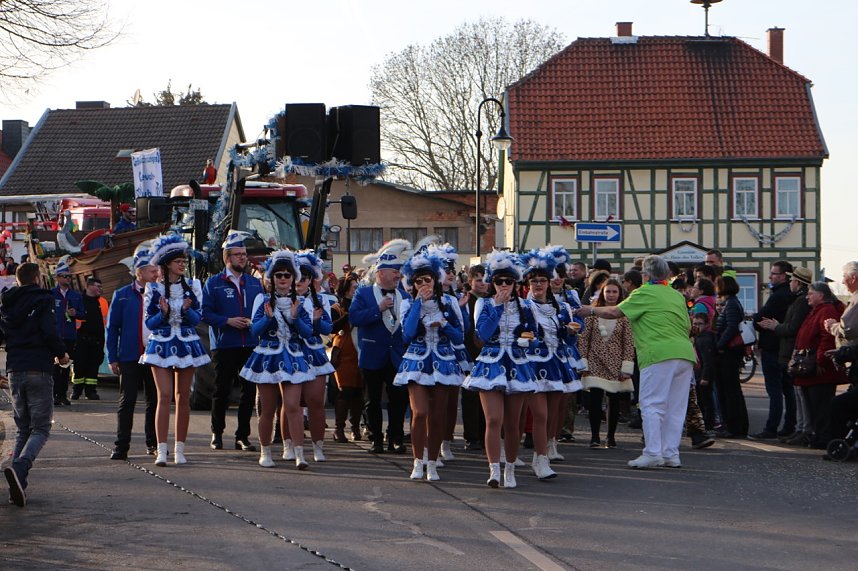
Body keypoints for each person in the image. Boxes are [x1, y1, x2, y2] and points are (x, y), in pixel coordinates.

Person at [579, 255, 697, 469]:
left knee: (652, 404)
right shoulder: (676, 295)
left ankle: (652, 452)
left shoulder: (644, 292)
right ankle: (671, 453)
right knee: (675, 407)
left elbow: (615, 311)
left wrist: (590, 310)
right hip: (684, 354)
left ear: (645, 275)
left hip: (658, 353)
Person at [463, 249, 538, 488]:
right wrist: (497, 306)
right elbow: (482, 334)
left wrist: (528, 340)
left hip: (517, 364)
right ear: (492, 283)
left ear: (516, 283)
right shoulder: (484, 304)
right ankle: (494, 469)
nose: (503, 285)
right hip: (491, 363)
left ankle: (511, 468)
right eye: (498, 281)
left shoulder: (526, 306)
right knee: (493, 419)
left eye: (508, 281)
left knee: (513, 423)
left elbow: (533, 334)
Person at [0, 262, 70, 507]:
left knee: (23, 428)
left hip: (15, 369)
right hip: (38, 367)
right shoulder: (43, 299)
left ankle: (18, 484)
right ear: (37, 278)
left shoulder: (6, 303)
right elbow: (49, 331)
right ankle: (20, 467)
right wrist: (62, 355)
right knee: (40, 429)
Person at [393, 248, 465, 481]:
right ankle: (418, 460)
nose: (424, 284)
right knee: (420, 412)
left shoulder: (450, 301)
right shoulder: (407, 304)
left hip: (444, 361)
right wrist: (417, 304)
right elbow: (408, 334)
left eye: (428, 279)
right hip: (416, 361)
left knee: (437, 416)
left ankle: (432, 462)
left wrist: (444, 324)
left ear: (435, 280)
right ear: (413, 284)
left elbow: (459, 337)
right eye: (419, 281)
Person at [239, 250, 315, 468]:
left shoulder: (300, 301)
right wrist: (269, 317)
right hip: (268, 356)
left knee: (293, 406)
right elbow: (255, 331)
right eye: (279, 275)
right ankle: (265, 452)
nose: (283, 279)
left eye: (287, 275)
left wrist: (294, 317)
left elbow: (308, 332)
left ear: (294, 278)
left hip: (292, 356)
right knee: (268, 408)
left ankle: (299, 453)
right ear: (271, 278)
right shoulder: (261, 299)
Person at [140, 234, 210, 466]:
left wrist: (188, 310)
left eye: (183, 261)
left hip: (187, 344)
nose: (183, 264)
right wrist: (164, 312)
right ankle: (162, 449)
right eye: (178, 261)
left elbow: (197, 318)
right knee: (164, 396)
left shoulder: (194, 287)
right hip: (160, 343)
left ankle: (180, 448)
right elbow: (149, 323)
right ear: (167, 264)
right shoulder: (153, 289)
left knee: (183, 398)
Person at [202, 231, 264, 452]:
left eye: (244, 254)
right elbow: (204, 313)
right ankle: (217, 433)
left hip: (250, 344)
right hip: (225, 344)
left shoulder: (255, 284)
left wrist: (255, 322)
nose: (243, 258)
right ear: (227, 258)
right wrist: (227, 320)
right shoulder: (214, 283)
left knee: (248, 391)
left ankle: (243, 436)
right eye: (238, 254)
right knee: (222, 390)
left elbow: (263, 311)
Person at [522, 246, 580, 479]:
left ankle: (541, 457)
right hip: (532, 365)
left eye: (542, 281)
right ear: (528, 283)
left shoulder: (563, 307)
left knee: (554, 413)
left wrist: (571, 332)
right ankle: (538, 458)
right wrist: (527, 339)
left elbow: (568, 338)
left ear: (549, 282)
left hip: (556, 364)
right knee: (540, 415)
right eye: (534, 281)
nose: (538, 285)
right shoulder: (522, 306)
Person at [349, 239, 412, 454]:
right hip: (372, 354)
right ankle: (376, 438)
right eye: (394, 271)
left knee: (398, 400)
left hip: (396, 356)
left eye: (399, 271)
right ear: (381, 273)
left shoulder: (404, 295)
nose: (398, 275)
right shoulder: (363, 293)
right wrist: (378, 308)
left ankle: (395, 437)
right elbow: (355, 318)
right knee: (372, 400)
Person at [107, 241, 159, 460]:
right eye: (151, 269)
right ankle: (121, 446)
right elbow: (112, 328)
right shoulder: (122, 295)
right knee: (127, 401)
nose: (156, 273)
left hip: (155, 355)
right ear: (139, 272)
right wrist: (112, 357)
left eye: (157, 269)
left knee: (155, 401)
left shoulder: (160, 293)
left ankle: (154, 444)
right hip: (129, 357)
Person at [578, 278, 635, 449]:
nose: (611, 295)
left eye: (614, 292)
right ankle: (595, 436)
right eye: (608, 291)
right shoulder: (593, 313)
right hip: (595, 359)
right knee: (594, 400)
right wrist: (584, 362)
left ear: (620, 294)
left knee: (614, 400)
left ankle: (610, 437)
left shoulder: (624, 315)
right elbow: (584, 340)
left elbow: (628, 342)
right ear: (602, 292)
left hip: (616, 362)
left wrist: (627, 365)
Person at [759, 267, 813, 444]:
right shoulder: (796, 299)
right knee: (792, 391)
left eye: (792, 281)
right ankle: (796, 428)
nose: (791, 283)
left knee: (787, 391)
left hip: (786, 350)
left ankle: (795, 428)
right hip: (785, 350)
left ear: (797, 282)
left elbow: (792, 328)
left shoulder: (799, 301)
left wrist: (776, 326)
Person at [290, 250, 335, 462]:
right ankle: (289, 445)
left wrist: (316, 321)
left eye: (304, 277)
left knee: (316, 401)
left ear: (310, 280)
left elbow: (328, 327)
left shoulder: (321, 299)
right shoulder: (281, 298)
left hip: (314, 352)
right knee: (291, 403)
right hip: (290, 352)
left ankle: (318, 446)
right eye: (295, 276)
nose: (300, 281)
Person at [791, 281, 848, 449]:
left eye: (811, 293)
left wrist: (820, 360)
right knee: (814, 406)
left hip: (819, 369)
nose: (807, 296)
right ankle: (817, 435)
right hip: (810, 367)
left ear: (821, 295)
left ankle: (823, 438)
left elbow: (827, 337)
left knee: (821, 405)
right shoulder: (816, 310)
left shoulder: (826, 310)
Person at [749, 260, 795, 441]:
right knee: (788, 389)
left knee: (775, 389)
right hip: (783, 347)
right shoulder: (789, 294)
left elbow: (760, 318)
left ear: (783, 276)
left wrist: (757, 320)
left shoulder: (779, 296)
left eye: (774, 273)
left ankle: (771, 427)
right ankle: (790, 425)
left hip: (772, 347)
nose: (770, 276)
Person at [713, 275, 749, 439]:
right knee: (731, 389)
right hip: (730, 352)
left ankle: (735, 426)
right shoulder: (732, 303)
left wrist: (719, 345)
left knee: (730, 390)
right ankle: (737, 425)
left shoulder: (731, 304)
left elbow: (732, 326)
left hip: (729, 353)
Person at [330, 274, 362, 442]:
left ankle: (355, 427)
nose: (356, 289)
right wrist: (349, 315)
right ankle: (339, 428)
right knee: (345, 390)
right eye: (353, 286)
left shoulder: (360, 304)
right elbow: (332, 327)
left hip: (360, 349)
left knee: (358, 391)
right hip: (344, 350)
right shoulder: (337, 307)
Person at [462, 264, 488, 451]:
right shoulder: (466, 300)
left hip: (488, 354)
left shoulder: (491, 300)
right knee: (470, 396)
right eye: (478, 279)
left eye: (484, 279)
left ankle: (485, 433)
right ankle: (472, 436)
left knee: (487, 396)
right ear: (470, 281)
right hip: (470, 353)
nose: (482, 283)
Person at [70, 277, 108, 400]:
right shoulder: (79, 300)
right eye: (98, 286)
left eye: (101, 287)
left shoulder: (102, 302)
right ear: (89, 286)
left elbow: (105, 321)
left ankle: (91, 391)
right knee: (79, 366)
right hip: (81, 338)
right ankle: (77, 390)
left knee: (93, 366)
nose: (100, 289)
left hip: (97, 338)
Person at [824, 261, 858, 350]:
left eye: (844, 276)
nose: (842, 282)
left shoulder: (856, 300)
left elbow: (848, 329)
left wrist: (832, 326)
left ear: (853, 278)